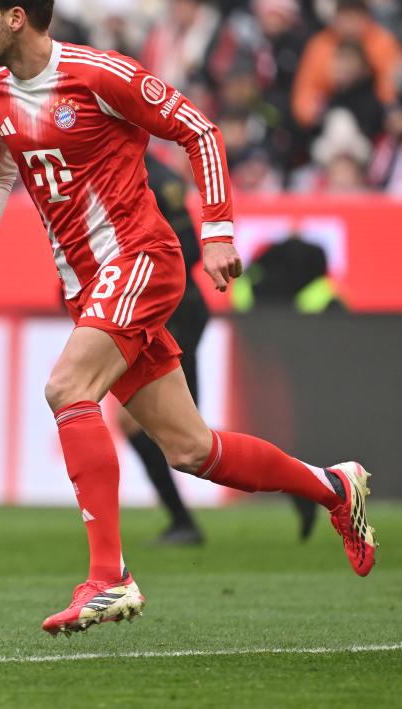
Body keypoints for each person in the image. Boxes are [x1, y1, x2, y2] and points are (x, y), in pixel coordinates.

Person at [0, 0, 375, 636]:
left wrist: (220, 232)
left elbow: (198, 130)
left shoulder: (99, 75)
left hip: (140, 258)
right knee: (189, 448)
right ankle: (334, 486)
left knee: (66, 388)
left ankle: (108, 577)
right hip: (85, 283)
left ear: (15, 18)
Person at [123, 152, 320, 546]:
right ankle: (185, 521)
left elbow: (188, 250)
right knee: (160, 430)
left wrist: (127, 269)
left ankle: (301, 483)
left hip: (172, 311)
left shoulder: (156, 178)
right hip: (142, 312)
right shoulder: (113, 173)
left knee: (183, 436)